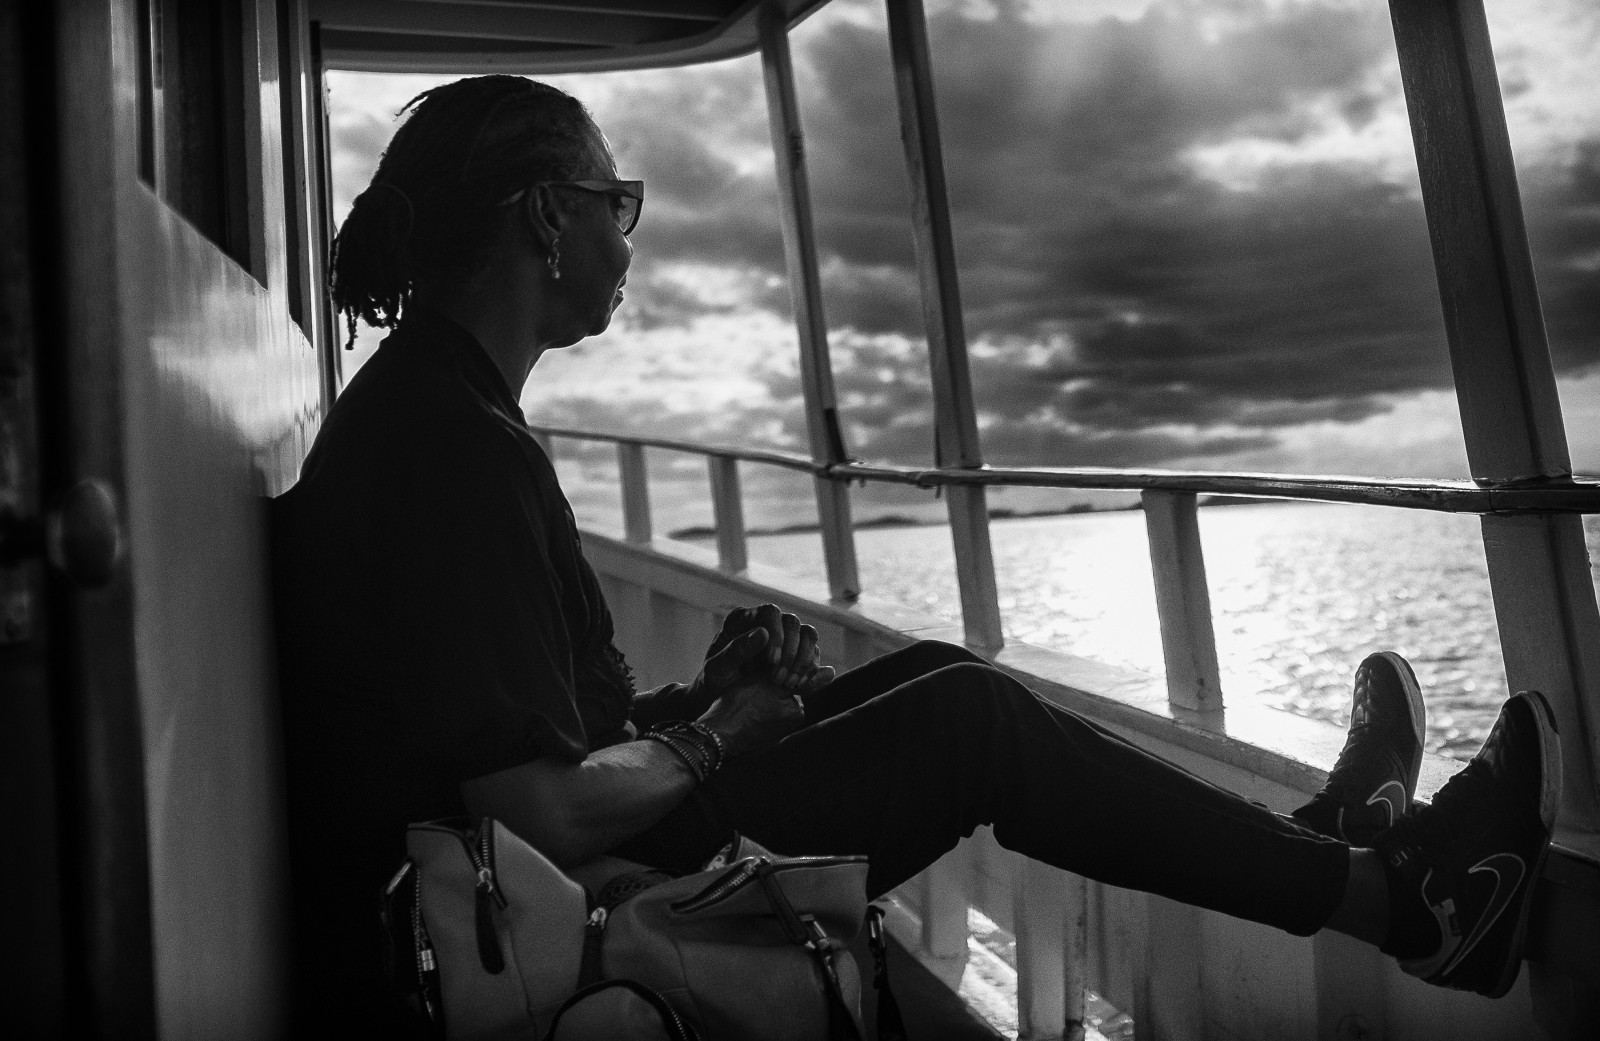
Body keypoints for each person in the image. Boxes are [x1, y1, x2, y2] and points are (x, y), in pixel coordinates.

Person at [271, 75, 1563, 1031]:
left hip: (515, 880)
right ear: (550, 219)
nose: (630, 237)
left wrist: (718, 699)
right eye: (622, 203)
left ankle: (1333, 844)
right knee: (967, 721)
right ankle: (1418, 904)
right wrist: (720, 734)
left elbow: (526, 740)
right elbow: (535, 806)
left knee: (929, 675)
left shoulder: (434, 414)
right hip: (539, 913)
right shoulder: (452, 450)